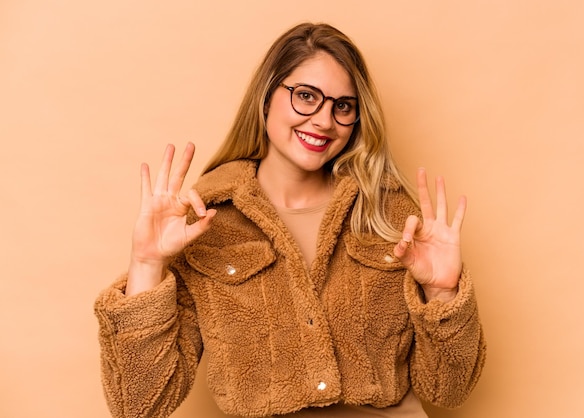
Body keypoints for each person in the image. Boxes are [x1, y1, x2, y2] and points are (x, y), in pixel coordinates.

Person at [94, 22, 486, 418]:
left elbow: (448, 390)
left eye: (342, 106)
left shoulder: (391, 217)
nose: (323, 120)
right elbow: (140, 406)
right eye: (306, 96)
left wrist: (443, 294)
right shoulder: (205, 221)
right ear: (267, 97)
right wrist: (146, 265)